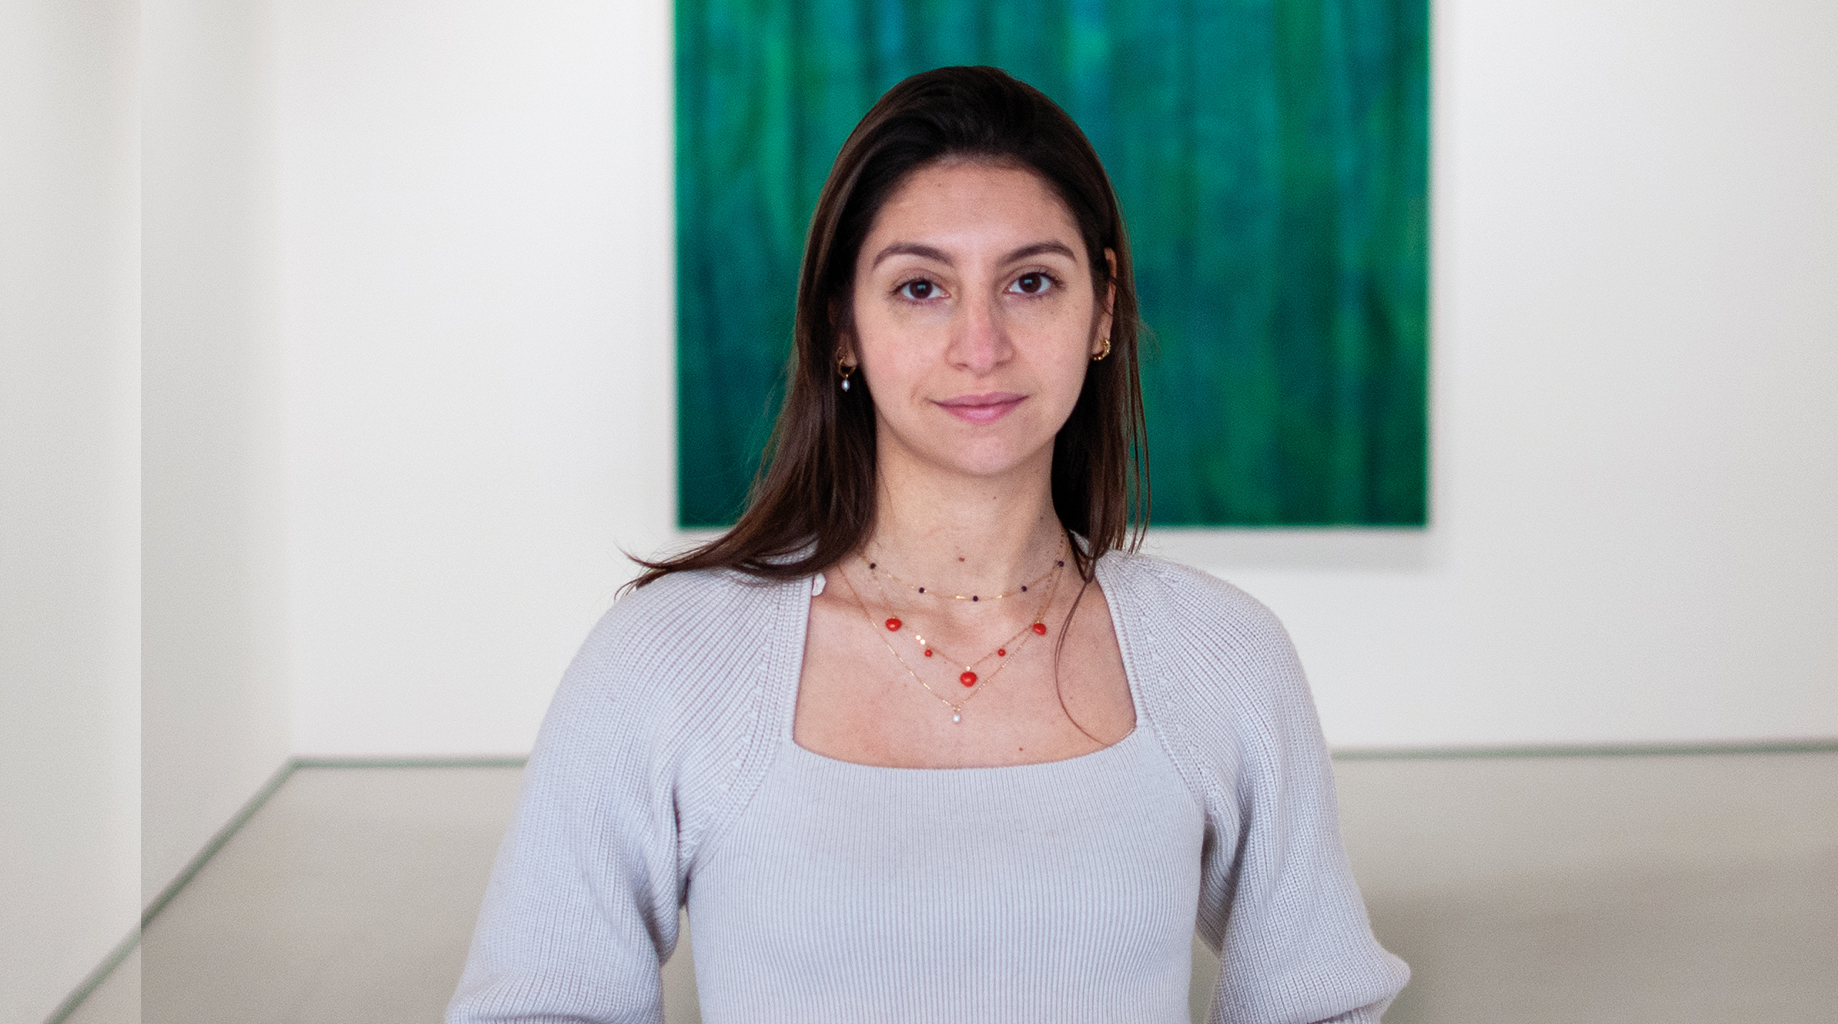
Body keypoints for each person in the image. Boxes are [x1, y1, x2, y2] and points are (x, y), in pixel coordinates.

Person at [448, 65, 1407, 1023]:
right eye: (920, 287)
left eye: (1030, 282)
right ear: (842, 325)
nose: (979, 345)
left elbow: (1317, 1002)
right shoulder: (664, 659)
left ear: (1103, 309)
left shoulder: (1226, 655)